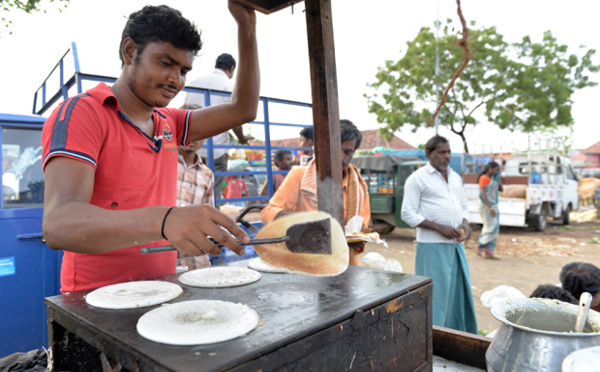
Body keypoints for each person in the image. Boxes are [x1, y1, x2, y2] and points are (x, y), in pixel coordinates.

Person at [41, 1, 260, 293]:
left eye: (184, 70)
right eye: (165, 63)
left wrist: (247, 26)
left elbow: (243, 109)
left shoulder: (169, 121)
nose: (176, 80)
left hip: (162, 291)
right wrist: (166, 219)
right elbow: (59, 224)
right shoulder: (84, 113)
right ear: (130, 52)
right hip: (95, 302)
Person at [261, 119, 371, 266]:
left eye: (347, 152)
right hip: (304, 261)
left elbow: (361, 226)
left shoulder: (358, 186)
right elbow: (268, 213)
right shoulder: (299, 176)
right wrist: (308, 221)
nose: (341, 157)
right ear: (323, 148)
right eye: (335, 150)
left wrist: (358, 237)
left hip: (345, 263)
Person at [401, 135, 478, 334]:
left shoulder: (455, 177)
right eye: (441, 152)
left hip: (456, 247)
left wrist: (464, 224)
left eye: (449, 152)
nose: (447, 156)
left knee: (457, 295)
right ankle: (433, 338)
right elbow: (407, 213)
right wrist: (438, 227)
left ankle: (458, 335)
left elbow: (463, 207)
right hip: (432, 247)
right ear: (428, 153)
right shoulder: (417, 179)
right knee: (436, 296)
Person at [184, 53, 253, 200]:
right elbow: (236, 119)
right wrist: (241, 138)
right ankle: (212, 217)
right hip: (218, 149)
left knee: (189, 186)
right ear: (232, 69)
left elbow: (185, 111)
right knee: (213, 191)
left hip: (192, 144)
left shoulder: (194, 82)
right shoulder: (230, 86)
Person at [175, 104, 215, 269]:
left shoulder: (207, 174)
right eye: (185, 130)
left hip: (195, 259)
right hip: (162, 254)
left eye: (198, 131)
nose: (191, 136)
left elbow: (208, 215)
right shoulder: (157, 163)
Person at [476, 161, 503, 259]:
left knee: (494, 226)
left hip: (493, 204)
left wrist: (498, 179)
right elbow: (483, 194)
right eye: (496, 170)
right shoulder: (484, 178)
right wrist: (490, 207)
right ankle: (480, 244)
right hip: (486, 205)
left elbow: (501, 189)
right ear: (490, 169)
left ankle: (488, 252)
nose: (497, 172)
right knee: (491, 227)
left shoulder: (493, 179)